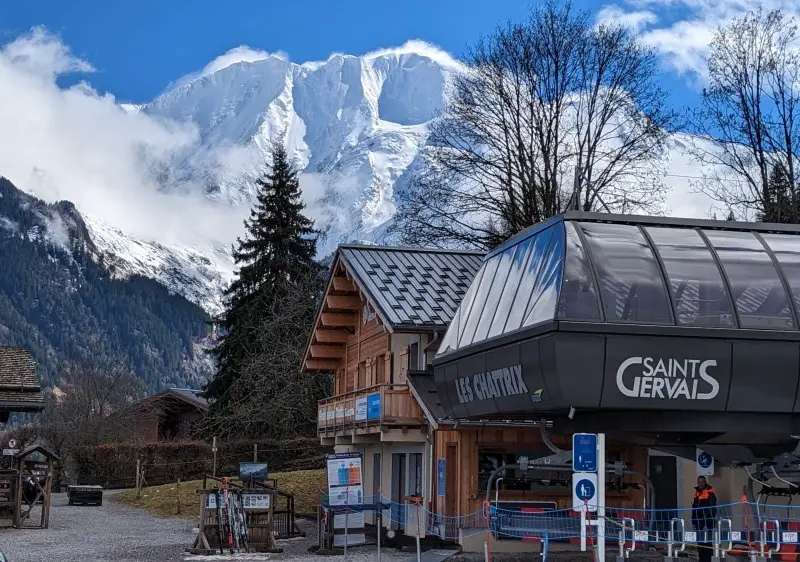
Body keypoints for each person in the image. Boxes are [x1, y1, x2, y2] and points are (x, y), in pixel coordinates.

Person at [692, 476, 718, 562]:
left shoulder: (710, 494)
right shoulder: (697, 493)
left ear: (705, 482)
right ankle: (702, 560)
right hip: (698, 523)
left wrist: (707, 523)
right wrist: (694, 522)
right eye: (699, 482)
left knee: (707, 544)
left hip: (706, 523)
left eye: (702, 482)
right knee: (700, 545)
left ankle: (708, 560)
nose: (700, 484)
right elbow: (694, 508)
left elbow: (712, 510)